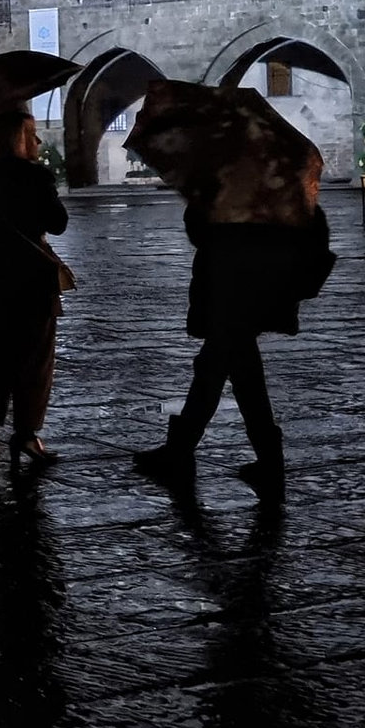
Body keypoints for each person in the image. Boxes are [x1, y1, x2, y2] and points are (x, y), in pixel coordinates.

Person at [133, 177, 331, 496]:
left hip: (229, 293)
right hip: (255, 294)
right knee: (231, 373)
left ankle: (192, 452)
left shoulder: (226, 182)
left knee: (221, 373)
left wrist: (201, 200)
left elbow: (200, 233)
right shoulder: (278, 182)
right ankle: (258, 456)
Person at [0, 110, 69, 466]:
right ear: (19, 138)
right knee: (36, 358)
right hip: (33, 276)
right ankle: (26, 435)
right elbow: (58, 223)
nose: (38, 142)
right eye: (33, 134)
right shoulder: (36, 175)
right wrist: (46, 188)